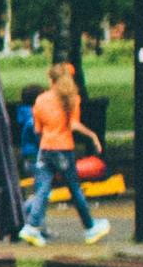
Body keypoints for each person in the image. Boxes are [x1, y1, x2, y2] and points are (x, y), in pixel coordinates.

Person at [29, 59, 97, 237]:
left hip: (45, 149)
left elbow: (37, 129)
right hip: (64, 149)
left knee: (42, 189)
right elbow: (74, 125)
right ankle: (90, 227)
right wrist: (92, 136)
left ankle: (32, 226)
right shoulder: (72, 99)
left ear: (51, 80)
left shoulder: (41, 100)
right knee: (74, 189)